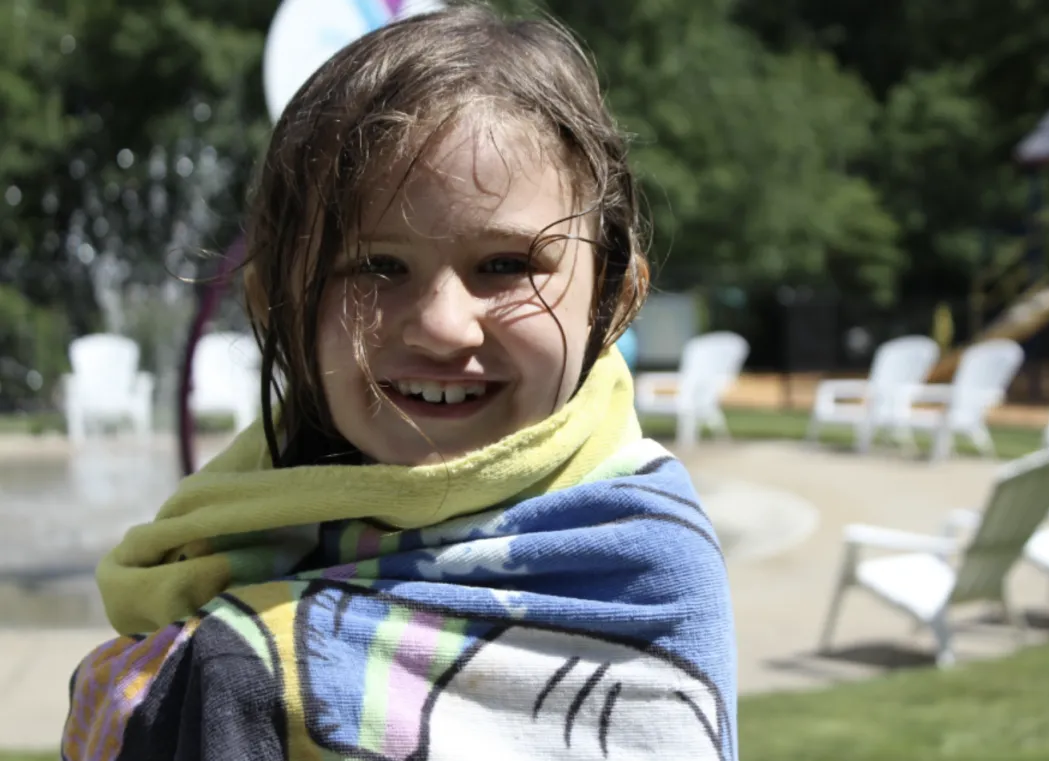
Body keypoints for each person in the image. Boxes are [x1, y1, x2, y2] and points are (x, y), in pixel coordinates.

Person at [61, 5, 736, 760]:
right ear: (274, 301)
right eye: (376, 266)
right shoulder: (215, 534)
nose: (443, 326)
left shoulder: (635, 561)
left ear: (615, 296)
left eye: (507, 265)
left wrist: (238, 671)